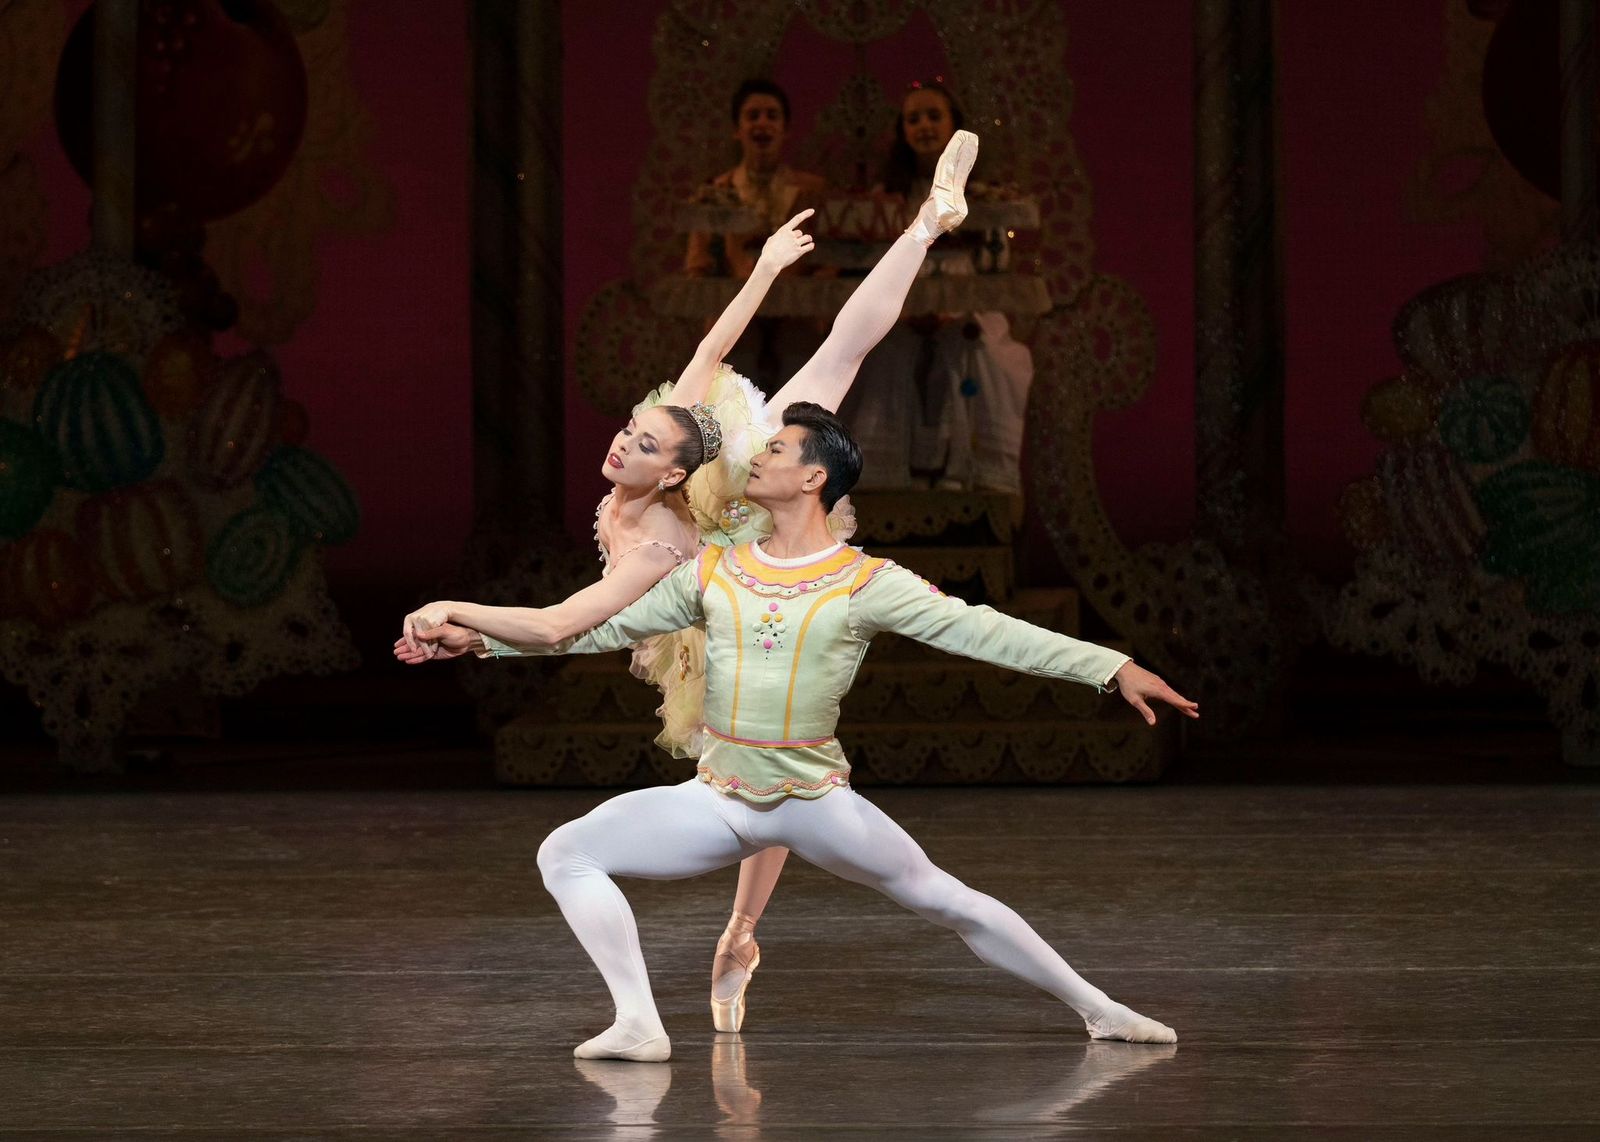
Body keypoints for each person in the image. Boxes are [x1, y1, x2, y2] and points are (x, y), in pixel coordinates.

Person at [398, 131, 987, 1038]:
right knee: (757, 774)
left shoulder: (672, 510)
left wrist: (762, 274)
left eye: (640, 442)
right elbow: (571, 624)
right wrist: (469, 634)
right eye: (628, 434)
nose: (618, 446)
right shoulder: (650, 536)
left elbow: (709, 355)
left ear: (668, 469)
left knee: (834, 363)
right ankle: (741, 934)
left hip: (737, 527)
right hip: (702, 611)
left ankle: (928, 224)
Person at [410, 401, 1198, 1063]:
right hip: (719, 798)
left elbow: (985, 632)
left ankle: (1100, 1009)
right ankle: (639, 1024)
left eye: (779, 450)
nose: (761, 456)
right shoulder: (715, 571)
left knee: (947, 901)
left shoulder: (866, 582)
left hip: (814, 803)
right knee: (567, 851)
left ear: (814, 477)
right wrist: (478, 637)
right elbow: (591, 630)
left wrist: (1110, 665)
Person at [842, 81, 1035, 493]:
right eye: (914, 119)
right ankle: (888, 484)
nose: (924, 126)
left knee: (980, 354)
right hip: (901, 311)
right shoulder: (886, 199)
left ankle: (966, 476)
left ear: (953, 125)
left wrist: (954, 307)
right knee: (883, 354)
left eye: (934, 116)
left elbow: (995, 267)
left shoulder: (984, 196)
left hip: (965, 311)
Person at [684, 78, 829, 391]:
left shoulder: (812, 192)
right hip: (735, 333)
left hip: (798, 330)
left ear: (786, 129)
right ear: (737, 129)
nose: (762, 123)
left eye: (771, 115)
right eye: (753, 116)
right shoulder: (715, 193)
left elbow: (830, 256)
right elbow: (697, 267)